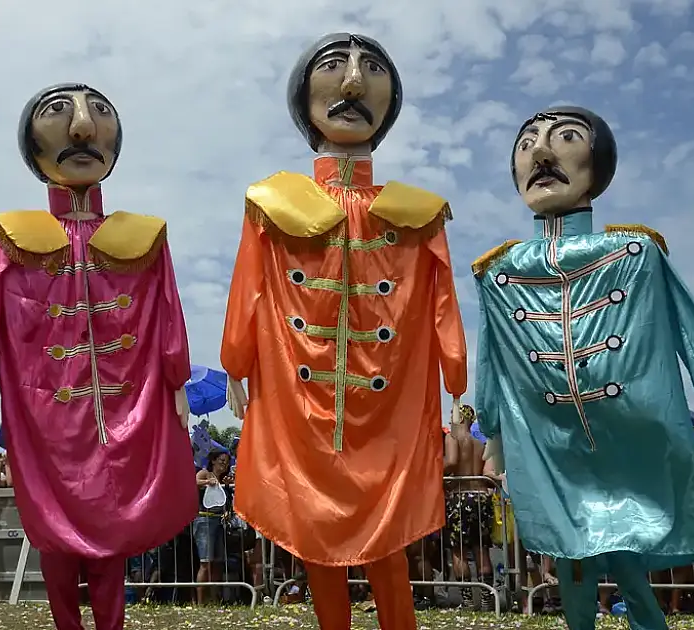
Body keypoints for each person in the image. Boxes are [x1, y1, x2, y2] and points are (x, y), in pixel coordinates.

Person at [472, 105, 694, 630]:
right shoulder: (499, 271)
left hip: (629, 440)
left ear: (598, 162)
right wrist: (493, 431)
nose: (541, 153)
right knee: (572, 556)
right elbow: (491, 356)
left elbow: (691, 333)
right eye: (527, 144)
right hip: (550, 446)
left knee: (628, 558)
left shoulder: (634, 251)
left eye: (564, 138)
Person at [220, 33, 467, 630]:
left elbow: (441, 303)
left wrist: (455, 384)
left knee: (388, 543)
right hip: (299, 407)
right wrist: (238, 361)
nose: (353, 84)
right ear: (303, 96)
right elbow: (247, 286)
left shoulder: (418, 213)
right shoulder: (272, 205)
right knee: (312, 537)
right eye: (334, 68)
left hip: (388, 411)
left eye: (371, 70)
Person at [0, 82, 196, 630]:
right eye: (59, 114)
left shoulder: (143, 237)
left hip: (124, 411)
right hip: (41, 409)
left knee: (112, 526)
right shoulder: (12, 236)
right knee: (52, 525)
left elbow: (168, 309)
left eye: (97, 114)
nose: (82, 127)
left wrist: (175, 375)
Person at [442, 404, 495, 610]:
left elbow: (452, 462)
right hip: (481, 497)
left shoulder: (453, 438)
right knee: (481, 549)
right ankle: (486, 600)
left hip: (460, 497)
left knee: (459, 551)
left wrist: (434, 470)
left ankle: (468, 601)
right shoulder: (479, 444)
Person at [193, 450, 233, 605]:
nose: (224, 464)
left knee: (217, 562)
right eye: (221, 460)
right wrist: (206, 482)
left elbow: (226, 502)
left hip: (219, 521)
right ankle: (200, 602)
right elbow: (193, 482)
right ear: (214, 461)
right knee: (205, 562)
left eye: (226, 461)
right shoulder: (205, 473)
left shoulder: (224, 479)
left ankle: (214, 599)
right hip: (204, 520)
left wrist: (227, 487)